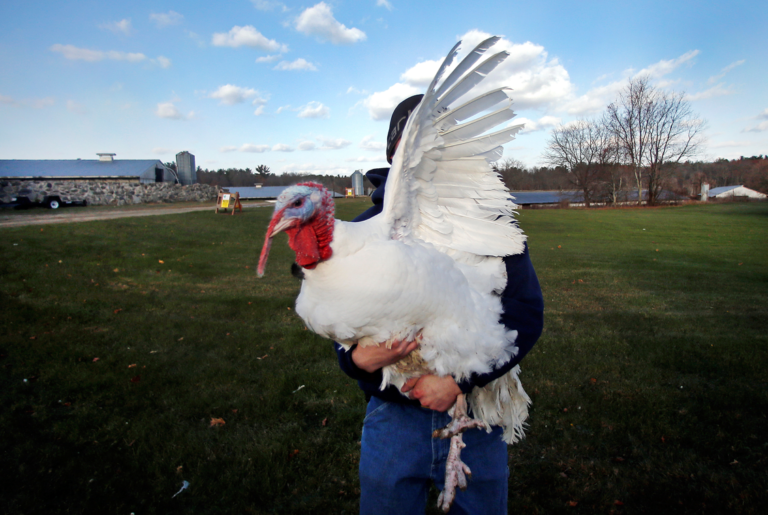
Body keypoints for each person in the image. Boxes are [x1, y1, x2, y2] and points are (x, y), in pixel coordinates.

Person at [334, 95, 544, 514]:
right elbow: (341, 332)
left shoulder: (489, 227)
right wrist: (358, 360)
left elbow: (525, 312)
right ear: (394, 152)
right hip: (393, 419)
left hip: (476, 415)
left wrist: (457, 383)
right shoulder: (360, 232)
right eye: (411, 146)